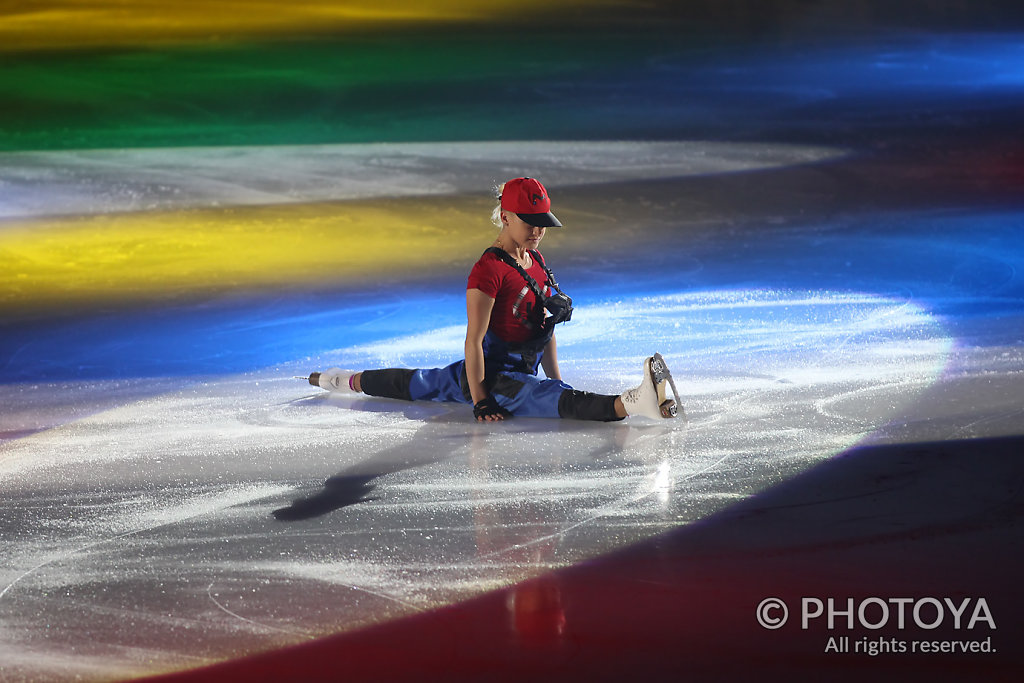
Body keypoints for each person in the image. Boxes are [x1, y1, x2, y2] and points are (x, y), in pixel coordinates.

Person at [304, 177, 681, 422]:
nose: (537, 230)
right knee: (420, 384)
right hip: (492, 377)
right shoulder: (488, 270)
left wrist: (556, 378)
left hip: (513, 372)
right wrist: (482, 399)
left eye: (542, 223)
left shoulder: (536, 262)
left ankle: (344, 379)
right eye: (529, 221)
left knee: (425, 382)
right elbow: (473, 340)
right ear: (505, 216)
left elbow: (544, 330)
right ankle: (633, 402)